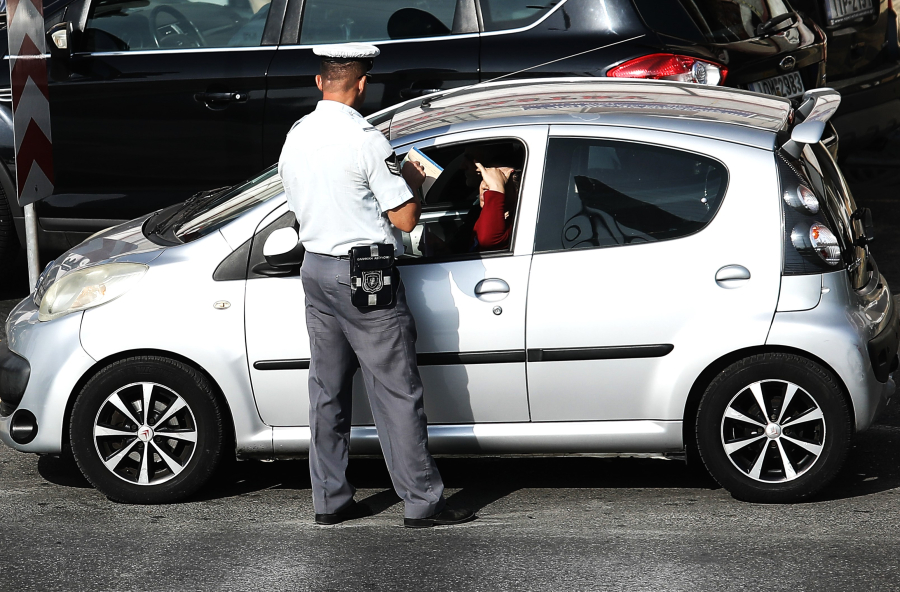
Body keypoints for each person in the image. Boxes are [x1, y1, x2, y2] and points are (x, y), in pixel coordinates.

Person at [277, 42, 475, 528]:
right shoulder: (367, 141)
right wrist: (408, 177)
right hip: (363, 273)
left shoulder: (297, 133)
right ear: (362, 84)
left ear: (320, 82)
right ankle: (423, 503)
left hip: (317, 268)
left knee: (326, 390)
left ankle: (331, 501)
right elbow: (406, 219)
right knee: (396, 391)